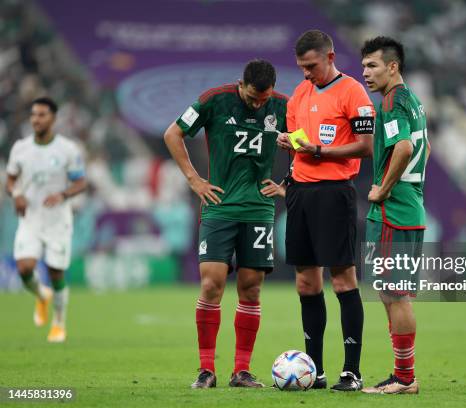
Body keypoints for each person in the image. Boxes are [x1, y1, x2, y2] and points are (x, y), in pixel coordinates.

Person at [164, 59, 287, 389]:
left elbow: (308, 145)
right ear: (241, 84)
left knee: (251, 288)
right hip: (220, 207)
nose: (259, 104)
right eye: (253, 97)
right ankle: (206, 369)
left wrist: (288, 184)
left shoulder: (284, 106)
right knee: (211, 284)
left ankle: (241, 371)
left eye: (264, 99)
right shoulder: (214, 100)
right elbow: (172, 133)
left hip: (259, 210)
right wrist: (194, 180)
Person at [276, 29, 375, 391]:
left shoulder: (353, 92)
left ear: (330, 58)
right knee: (305, 282)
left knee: (343, 279)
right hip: (301, 193)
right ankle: (313, 371)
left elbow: (365, 146)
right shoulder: (298, 96)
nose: (306, 73)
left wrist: (319, 151)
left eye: (312, 66)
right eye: (302, 67)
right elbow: (299, 145)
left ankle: (351, 371)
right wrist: (290, 143)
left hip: (335, 193)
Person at [360, 36, 430, 394]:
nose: (365, 73)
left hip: (393, 212)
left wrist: (384, 189)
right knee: (392, 292)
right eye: (363, 67)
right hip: (410, 207)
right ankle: (401, 375)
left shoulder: (391, 102)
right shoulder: (413, 100)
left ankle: (405, 378)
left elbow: (403, 148)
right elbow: (425, 147)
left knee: (394, 293)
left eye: (372, 66)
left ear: (393, 66)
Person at [6, 97, 87, 343]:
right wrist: (17, 194)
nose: (35, 119)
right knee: (24, 268)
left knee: (55, 272)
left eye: (41, 115)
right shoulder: (21, 148)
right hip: (30, 218)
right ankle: (42, 295)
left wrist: (63, 194)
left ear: (53, 118)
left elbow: (81, 182)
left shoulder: (67, 150)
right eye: (33, 115)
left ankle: (59, 323)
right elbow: (10, 178)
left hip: (57, 220)